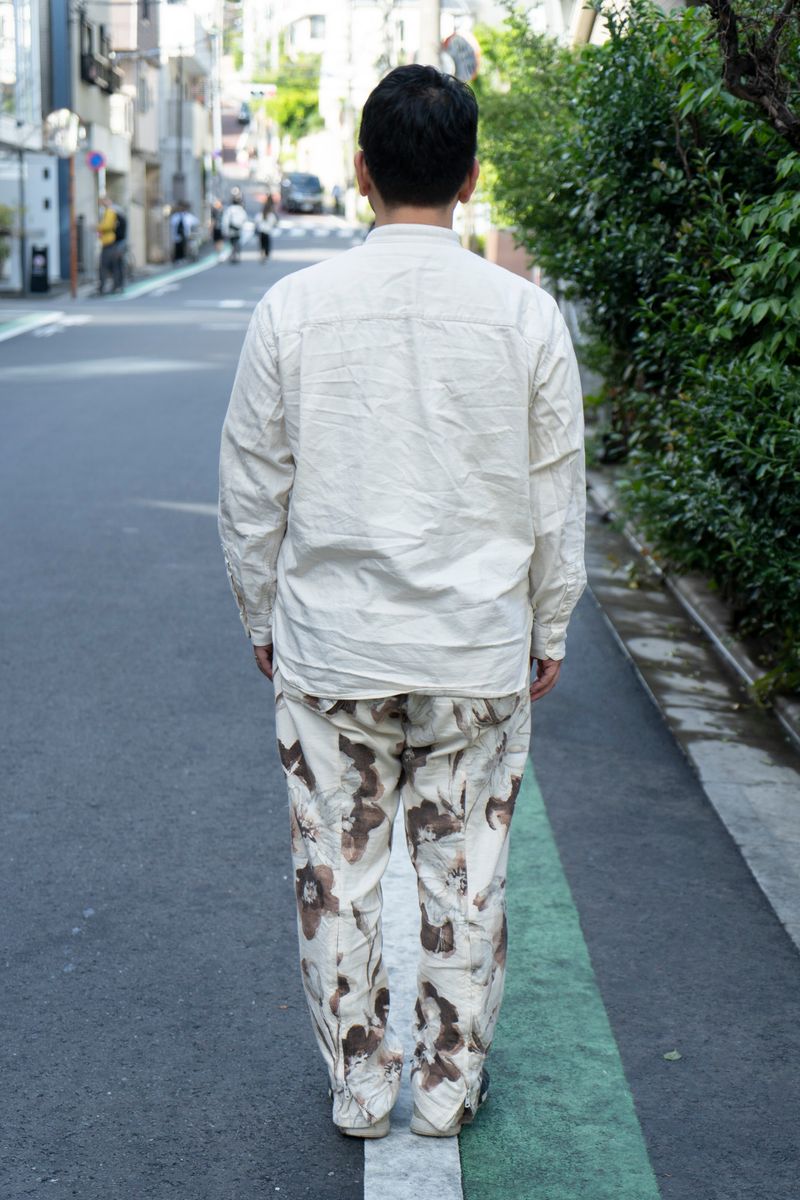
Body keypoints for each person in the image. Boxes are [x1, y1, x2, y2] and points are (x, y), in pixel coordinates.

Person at [219, 65, 586, 1141]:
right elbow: (553, 498)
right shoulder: (524, 317)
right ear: (471, 179)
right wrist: (548, 624)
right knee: (465, 873)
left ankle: (361, 1080)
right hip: (474, 650)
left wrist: (260, 619)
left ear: (360, 172)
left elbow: (251, 491)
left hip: (331, 650)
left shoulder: (293, 308)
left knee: (334, 870)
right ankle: (448, 1082)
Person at [95, 195, 118, 295]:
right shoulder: (108, 212)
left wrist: (97, 227)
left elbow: (107, 225)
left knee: (104, 266)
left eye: (103, 201)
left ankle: (103, 287)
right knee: (110, 266)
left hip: (109, 242)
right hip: (109, 242)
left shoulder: (110, 212)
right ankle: (114, 286)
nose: (101, 204)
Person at [223, 190, 247, 263]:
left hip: (231, 228)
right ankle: (237, 255)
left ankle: (233, 255)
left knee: (232, 242)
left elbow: (225, 220)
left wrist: (225, 230)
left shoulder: (229, 209)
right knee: (237, 241)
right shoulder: (241, 209)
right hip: (238, 228)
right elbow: (244, 219)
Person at [257, 195, 276, 261]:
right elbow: (273, 221)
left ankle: (262, 254)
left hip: (261, 230)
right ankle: (266, 254)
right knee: (267, 244)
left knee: (262, 244)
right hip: (267, 231)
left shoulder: (261, 214)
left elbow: (257, 220)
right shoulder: (271, 215)